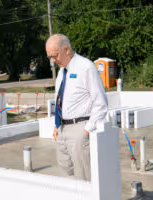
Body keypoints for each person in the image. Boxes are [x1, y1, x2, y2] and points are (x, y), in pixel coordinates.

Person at [45, 34, 108, 181]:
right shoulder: (62, 72)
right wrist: (56, 126)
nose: (53, 61)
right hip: (61, 130)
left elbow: (100, 102)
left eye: (55, 56)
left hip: (79, 128)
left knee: (84, 176)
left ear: (66, 49)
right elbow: (61, 100)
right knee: (66, 173)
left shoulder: (86, 67)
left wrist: (86, 130)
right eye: (50, 58)